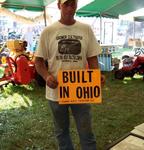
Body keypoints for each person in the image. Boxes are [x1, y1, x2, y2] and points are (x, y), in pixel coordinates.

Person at [34, 0, 105, 149]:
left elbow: (92, 58)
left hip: (81, 91)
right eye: (66, 4)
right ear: (59, 5)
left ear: (76, 5)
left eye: (73, 4)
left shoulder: (85, 29)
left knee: (86, 131)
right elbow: (39, 62)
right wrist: (47, 76)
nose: (70, 8)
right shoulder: (48, 31)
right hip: (56, 92)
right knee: (61, 132)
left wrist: (96, 76)